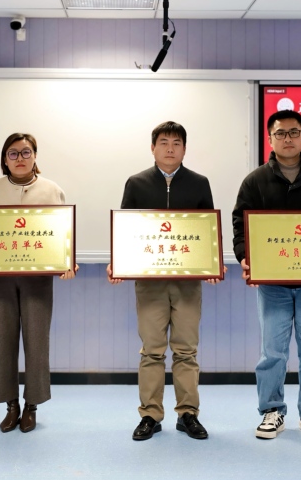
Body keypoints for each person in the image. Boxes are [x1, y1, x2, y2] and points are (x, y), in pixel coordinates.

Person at [232, 110, 301, 440]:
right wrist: (245, 257)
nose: (288, 138)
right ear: (270, 138)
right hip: (272, 284)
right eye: (280, 133)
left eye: (294, 132)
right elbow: (240, 225)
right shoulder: (255, 181)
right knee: (273, 352)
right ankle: (271, 411)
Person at [107, 121, 223, 442]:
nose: (170, 148)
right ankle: (150, 415)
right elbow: (126, 229)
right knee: (152, 351)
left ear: (184, 149)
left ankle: (188, 414)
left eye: (176, 143)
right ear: (153, 147)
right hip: (150, 281)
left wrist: (212, 265)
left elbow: (207, 230)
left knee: (186, 350)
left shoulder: (199, 183)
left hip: (187, 282)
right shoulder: (137, 183)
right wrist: (118, 262)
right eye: (163, 142)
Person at [0, 132, 76, 434]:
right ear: (5, 159)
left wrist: (67, 261)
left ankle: (32, 406)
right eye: (13, 153)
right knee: (2, 341)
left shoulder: (52, 190)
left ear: (35, 156)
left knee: (37, 342)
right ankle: (10, 405)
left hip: (37, 279)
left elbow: (62, 236)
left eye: (26, 152)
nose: (20, 158)